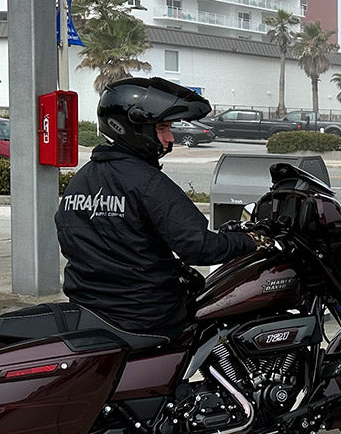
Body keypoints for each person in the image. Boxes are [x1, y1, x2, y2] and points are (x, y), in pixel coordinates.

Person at [56, 77, 262, 340]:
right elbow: (199, 247)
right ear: (134, 128)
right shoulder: (147, 183)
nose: (169, 138)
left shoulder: (81, 179)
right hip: (148, 316)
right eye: (163, 128)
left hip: (91, 310)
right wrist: (250, 240)